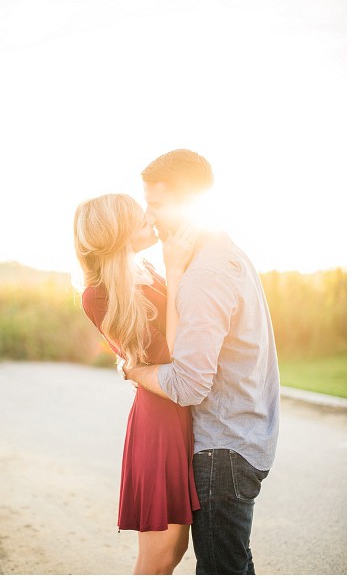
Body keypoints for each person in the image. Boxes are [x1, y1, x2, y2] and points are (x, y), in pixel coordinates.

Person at [124, 149, 280, 575]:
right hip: (240, 442)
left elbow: (190, 384)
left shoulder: (206, 274)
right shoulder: (224, 253)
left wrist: (136, 371)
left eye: (155, 204)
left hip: (222, 452)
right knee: (233, 564)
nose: (148, 215)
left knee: (222, 569)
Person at [74, 193, 200, 574]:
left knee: (176, 550)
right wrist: (175, 270)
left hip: (183, 412)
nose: (149, 218)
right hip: (160, 425)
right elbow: (171, 355)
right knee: (158, 558)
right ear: (118, 233)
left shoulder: (144, 270)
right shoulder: (98, 295)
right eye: (137, 217)